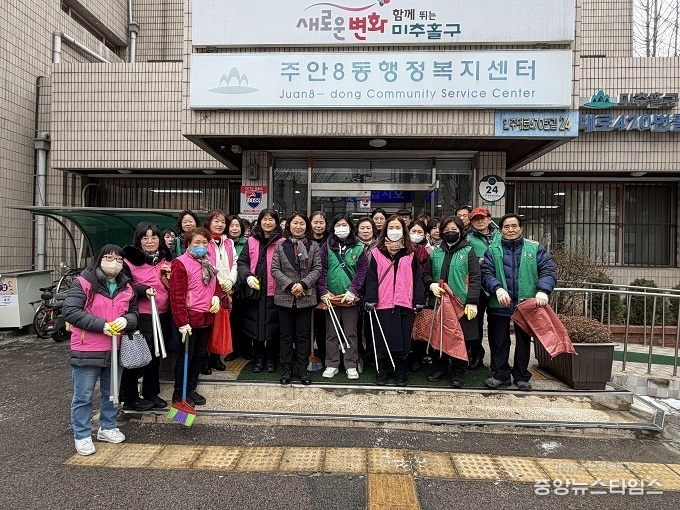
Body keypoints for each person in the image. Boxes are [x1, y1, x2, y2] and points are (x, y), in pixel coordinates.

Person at [63, 244, 139, 456]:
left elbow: (134, 313)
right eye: (109, 258)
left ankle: (108, 427)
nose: (114, 263)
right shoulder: (84, 282)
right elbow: (71, 311)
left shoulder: (127, 286)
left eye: (119, 260)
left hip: (116, 347)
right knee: (83, 395)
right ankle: (82, 434)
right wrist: (101, 325)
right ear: (99, 259)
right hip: (87, 348)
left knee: (112, 392)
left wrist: (126, 320)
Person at [481, 213, 557, 391]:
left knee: (523, 341)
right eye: (506, 227)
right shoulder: (492, 250)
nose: (511, 230)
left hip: (526, 303)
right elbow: (486, 273)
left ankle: (521, 376)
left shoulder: (535, 248)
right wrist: (497, 288)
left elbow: (548, 270)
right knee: (499, 340)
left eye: (514, 226)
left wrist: (543, 290)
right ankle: (500, 375)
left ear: (521, 228)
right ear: (501, 230)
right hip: (499, 303)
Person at [364, 215, 425, 387]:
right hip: (382, 302)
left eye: (398, 228)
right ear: (385, 230)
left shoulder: (410, 253)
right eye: (391, 228)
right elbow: (372, 278)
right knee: (381, 338)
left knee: (403, 339)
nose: (394, 231)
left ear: (403, 231)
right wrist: (371, 298)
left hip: (403, 301)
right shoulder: (376, 252)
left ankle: (401, 370)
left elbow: (416, 278)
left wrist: (418, 299)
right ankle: (381, 370)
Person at [422, 216, 481, 388]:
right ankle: (440, 368)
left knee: (460, 338)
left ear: (461, 231)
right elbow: (426, 274)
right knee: (438, 337)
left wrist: (472, 301)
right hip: (438, 303)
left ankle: (458, 372)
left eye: (454, 229)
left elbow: (476, 278)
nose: (450, 232)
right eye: (446, 230)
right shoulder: (436, 253)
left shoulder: (468, 251)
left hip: (460, 304)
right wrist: (431, 284)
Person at [121, 222, 173, 412]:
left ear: (160, 239)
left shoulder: (167, 259)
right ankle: (130, 396)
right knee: (136, 355)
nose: (150, 241)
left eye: (154, 237)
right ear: (138, 240)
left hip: (163, 313)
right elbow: (123, 287)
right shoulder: (128, 261)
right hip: (140, 315)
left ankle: (151, 392)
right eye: (145, 237)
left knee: (155, 355)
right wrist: (143, 291)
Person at [169, 227, 221, 407]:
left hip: (206, 316)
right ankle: (179, 393)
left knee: (199, 356)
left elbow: (216, 284)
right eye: (197, 242)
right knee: (186, 357)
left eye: (204, 242)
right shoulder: (180, 263)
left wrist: (216, 297)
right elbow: (176, 296)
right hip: (188, 320)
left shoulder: (208, 262)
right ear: (189, 244)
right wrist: (182, 322)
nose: (201, 246)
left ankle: (190, 388)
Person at [271, 212, 322, 385]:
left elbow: (317, 268)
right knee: (285, 335)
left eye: (301, 223)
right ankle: (286, 368)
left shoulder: (313, 246)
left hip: (306, 298)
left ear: (306, 226)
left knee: (303, 335)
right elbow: (275, 269)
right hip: (284, 296)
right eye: (295, 223)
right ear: (289, 225)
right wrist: (291, 286)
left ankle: (302, 369)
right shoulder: (280, 245)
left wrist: (303, 284)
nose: (298, 226)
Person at [318, 214, 368, 380]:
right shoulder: (326, 246)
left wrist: (353, 290)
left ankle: (350, 364)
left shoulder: (359, 247)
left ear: (350, 227)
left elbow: (362, 271)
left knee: (351, 333)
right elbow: (322, 269)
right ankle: (332, 364)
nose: (341, 228)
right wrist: (323, 291)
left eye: (344, 225)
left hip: (349, 298)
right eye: (338, 225)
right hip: (331, 297)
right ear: (333, 228)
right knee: (331, 333)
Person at [237, 208, 284, 373]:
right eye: (265, 219)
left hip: (275, 290)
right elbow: (242, 262)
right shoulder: (251, 240)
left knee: (273, 326)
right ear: (259, 221)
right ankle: (258, 359)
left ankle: (271, 359)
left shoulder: (282, 241)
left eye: (271, 219)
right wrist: (247, 277)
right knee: (256, 325)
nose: (268, 222)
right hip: (255, 290)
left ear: (276, 223)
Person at [202, 209, 238, 373]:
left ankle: (215, 357)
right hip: (208, 290)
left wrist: (230, 281)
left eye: (223, 222)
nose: (220, 224)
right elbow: (204, 264)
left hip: (225, 291)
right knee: (207, 325)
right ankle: (204, 359)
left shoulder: (228, 242)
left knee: (220, 325)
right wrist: (219, 282)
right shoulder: (204, 241)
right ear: (209, 222)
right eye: (216, 221)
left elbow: (235, 263)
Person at [466, 207, 501, 370]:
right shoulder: (468, 238)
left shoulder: (501, 236)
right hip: (477, 286)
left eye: (482, 218)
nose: (480, 221)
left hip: (499, 286)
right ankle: (476, 354)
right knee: (475, 322)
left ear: (489, 219)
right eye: (476, 219)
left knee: (497, 325)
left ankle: (498, 360)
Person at [224, 215, 252, 361]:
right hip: (227, 289)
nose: (234, 229)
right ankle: (233, 350)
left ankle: (247, 349)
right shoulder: (224, 243)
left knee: (246, 319)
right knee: (231, 321)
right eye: (231, 225)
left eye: (237, 226)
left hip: (245, 287)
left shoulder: (248, 243)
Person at [408, 219, 431, 372]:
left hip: (422, 293)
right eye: (413, 231)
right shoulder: (402, 250)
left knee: (420, 326)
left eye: (419, 232)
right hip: (404, 293)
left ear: (425, 234)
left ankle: (418, 356)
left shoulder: (428, 253)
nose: (416, 235)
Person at [355, 217, 378, 365]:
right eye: (362, 228)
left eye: (368, 228)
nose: (365, 231)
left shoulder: (380, 246)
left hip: (373, 289)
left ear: (373, 230)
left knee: (371, 324)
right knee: (356, 323)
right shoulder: (352, 246)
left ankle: (371, 351)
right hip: (356, 289)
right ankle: (358, 352)